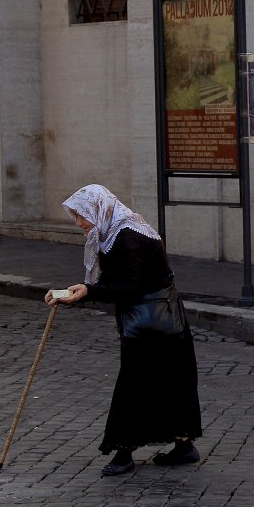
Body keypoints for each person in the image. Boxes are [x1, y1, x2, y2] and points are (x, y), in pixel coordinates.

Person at [45, 184, 202, 477]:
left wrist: (87, 292)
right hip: (157, 318)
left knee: (136, 385)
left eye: (81, 216)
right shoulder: (113, 231)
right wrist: (73, 293)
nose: (78, 223)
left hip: (154, 323)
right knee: (169, 383)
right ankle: (183, 445)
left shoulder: (127, 236)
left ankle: (124, 452)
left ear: (99, 210)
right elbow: (116, 281)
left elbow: (130, 284)